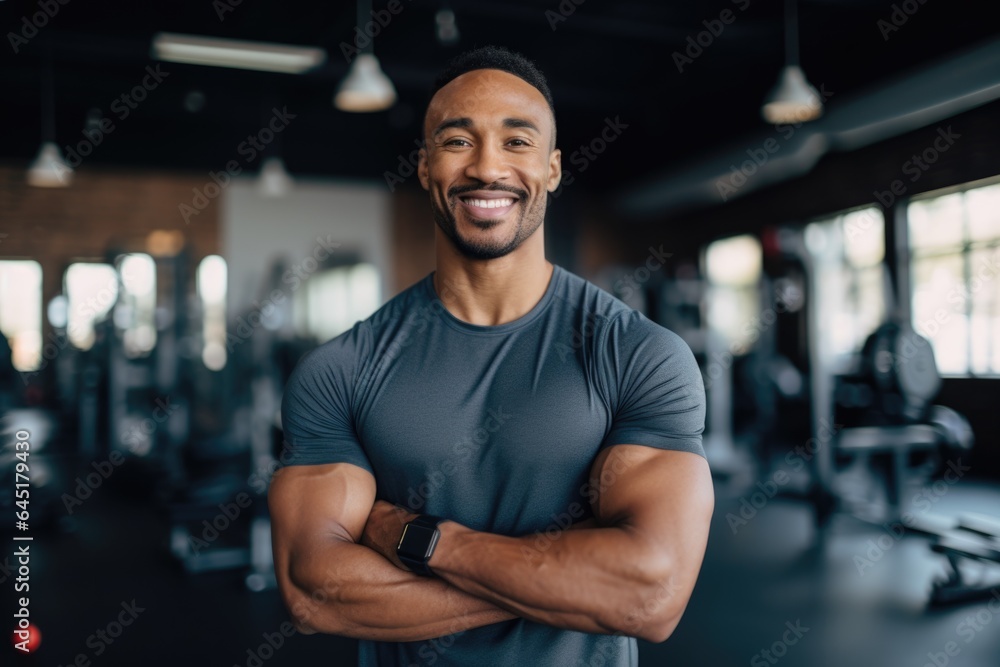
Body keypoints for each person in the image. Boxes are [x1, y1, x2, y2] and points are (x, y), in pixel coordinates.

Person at [269, 45, 713, 666]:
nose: (486, 168)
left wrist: (420, 539)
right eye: (457, 142)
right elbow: (315, 591)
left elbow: (649, 595)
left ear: (553, 169)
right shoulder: (341, 370)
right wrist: (568, 582)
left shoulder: (639, 356)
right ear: (425, 167)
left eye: (517, 141)